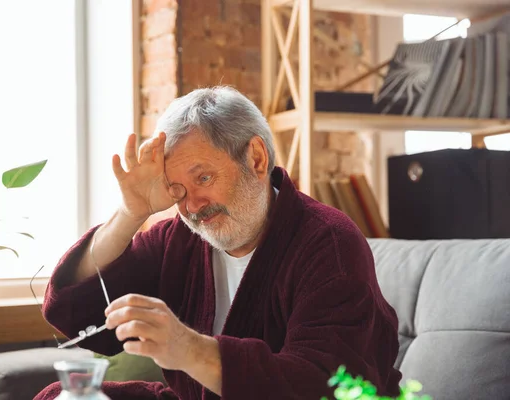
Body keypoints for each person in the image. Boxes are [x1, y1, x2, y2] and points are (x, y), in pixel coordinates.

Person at [34, 86, 402, 400]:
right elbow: (74, 310)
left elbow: (323, 385)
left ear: (256, 159)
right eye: (177, 190)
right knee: (65, 396)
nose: (192, 206)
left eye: (204, 177)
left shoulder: (328, 243)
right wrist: (130, 215)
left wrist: (189, 348)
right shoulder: (178, 240)